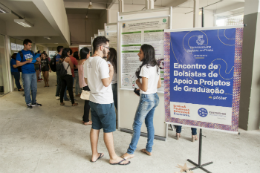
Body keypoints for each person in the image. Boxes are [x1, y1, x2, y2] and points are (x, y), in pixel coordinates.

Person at [84, 36, 130, 165]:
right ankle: (113, 157)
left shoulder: (88, 61)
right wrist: (111, 71)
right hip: (104, 102)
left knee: (95, 127)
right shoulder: (102, 63)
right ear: (101, 47)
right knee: (108, 130)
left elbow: (87, 81)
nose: (108, 51)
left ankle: (94, 154)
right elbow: (106, 83)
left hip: (93, 100)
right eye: (107, 48)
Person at [122, 44, 161, 160]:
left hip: (146, 99)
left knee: (137, 124)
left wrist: (137, 82)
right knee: (149, 123)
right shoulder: (156, 66)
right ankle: (149, 149)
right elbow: (158, 85)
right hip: (154, 98)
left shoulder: (145, 68)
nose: (138, 54)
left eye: (140, 52)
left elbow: (144, 88)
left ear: (146, 54)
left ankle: (130, 151)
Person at [16, 39, 42, 108]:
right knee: (27, 88)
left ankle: (34, 101)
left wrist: (37, 60)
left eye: (31, 45)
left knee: (34, 88)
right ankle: (28, 102)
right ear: (25, 45)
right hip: (26, 73)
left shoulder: (31, 52)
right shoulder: (20, 53)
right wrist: (26, 62)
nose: (30, 46)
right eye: (29, 45)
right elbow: (18, 64)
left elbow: (34, 62)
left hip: (33, 72)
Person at [79, 48, 92, 125]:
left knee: (87, 102)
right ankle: (86, 120)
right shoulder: (86, 63)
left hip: (83, 83)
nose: (89, 55)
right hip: (86, 84)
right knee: (88, 103)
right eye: (89, 53)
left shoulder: (80, 62)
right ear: (86, 54)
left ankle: (85, 118)